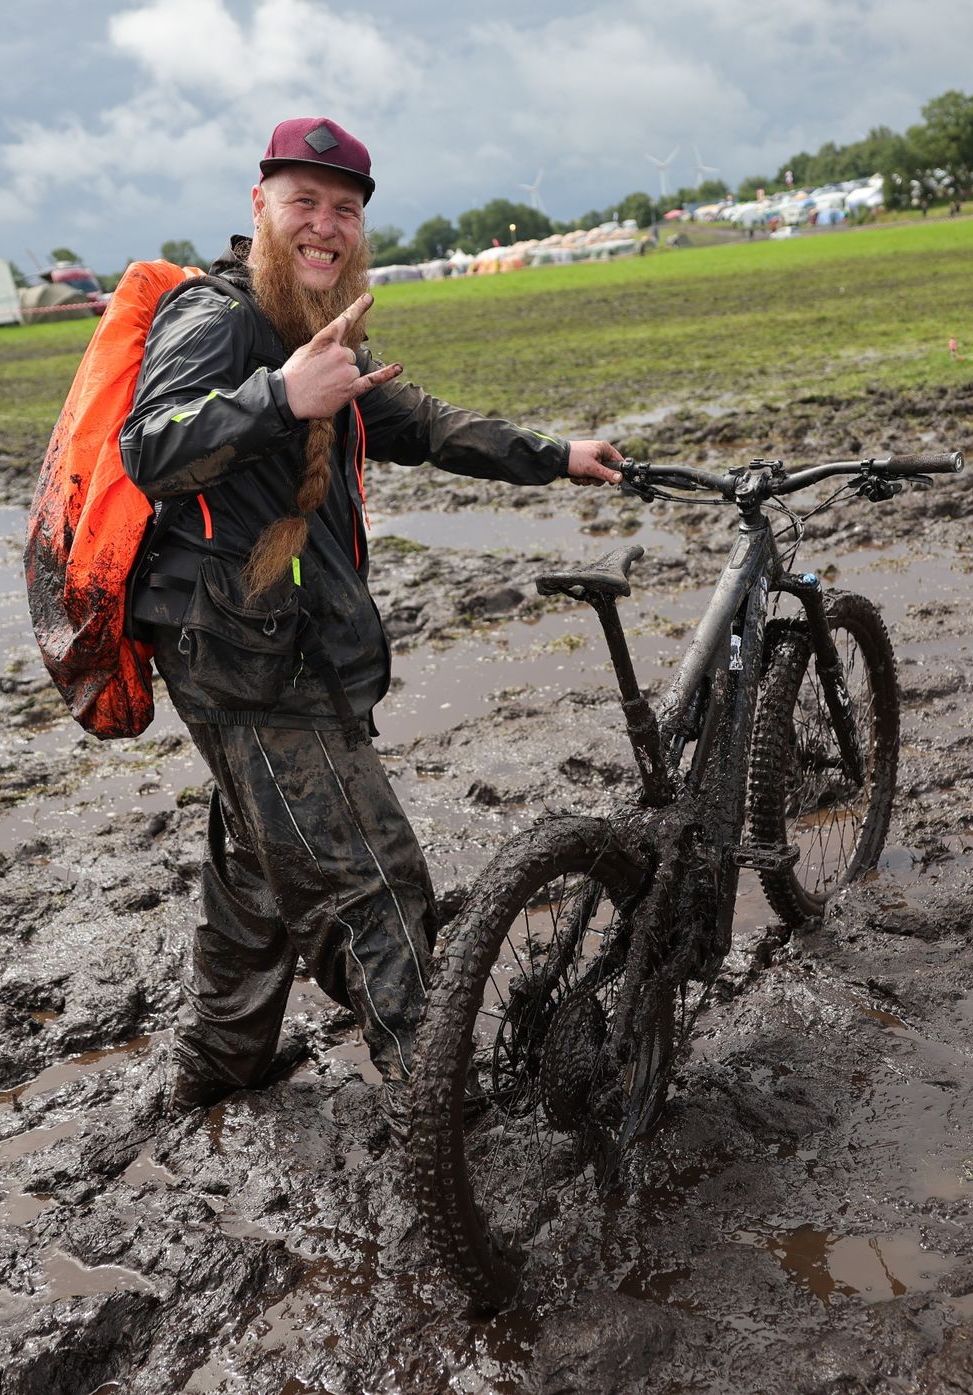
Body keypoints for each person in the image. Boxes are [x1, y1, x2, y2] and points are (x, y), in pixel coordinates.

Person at [117, 116, 625, 1114]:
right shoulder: (215, 320)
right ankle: (445, 1119)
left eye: (343, 210)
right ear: (258, 204)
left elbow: (417, 422)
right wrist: (278, 397)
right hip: (245, 659)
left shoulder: (314, 328)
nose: (325, 225)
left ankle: (221, 1065)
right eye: (303, 202)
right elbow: (150, 447)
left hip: (274, 646)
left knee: (260, 873)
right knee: (374, 883)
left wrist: (552, 455)